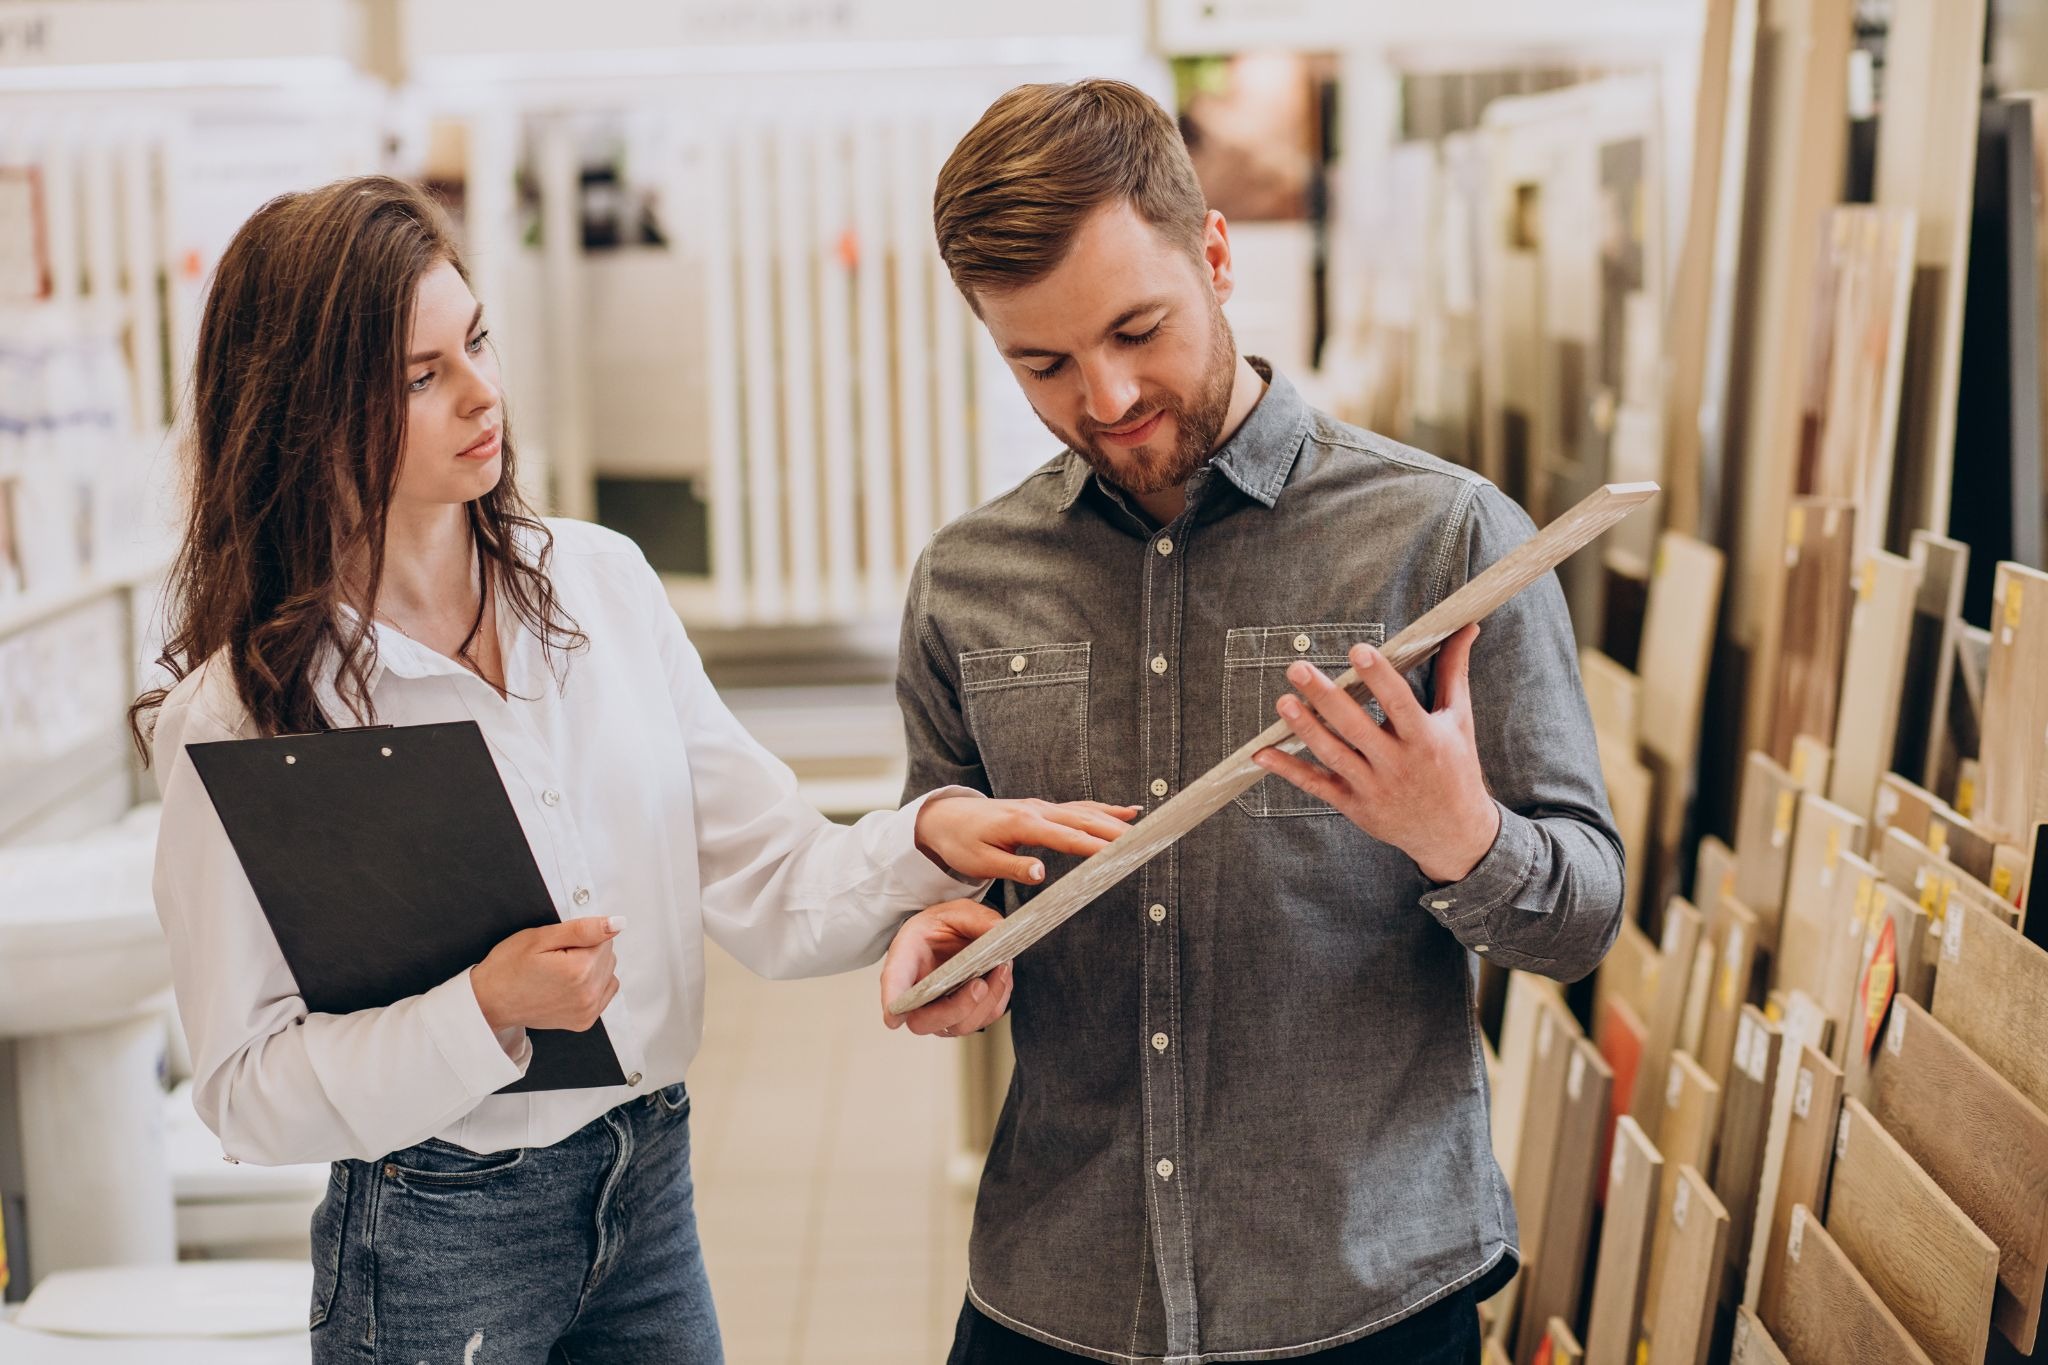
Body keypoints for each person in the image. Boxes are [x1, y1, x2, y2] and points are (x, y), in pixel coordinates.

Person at [134, 175, 1133, 1365]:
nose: (482, 392)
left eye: (477, 341)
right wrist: (483, 1012)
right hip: (433, 1235)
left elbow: (767, 875)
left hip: (645, 1187)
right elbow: (244, 1092)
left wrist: (920, 840)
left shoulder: (597, 587)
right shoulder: (245, 719)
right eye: (419, 376)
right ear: (305, 408)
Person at [878, 80, 1624, 1364]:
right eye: (1040, 363)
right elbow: (952, 875)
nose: (1104, 396)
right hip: (1058, 1290)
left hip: (1361, 1296)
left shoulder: (1443, 543)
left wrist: (1458, 834)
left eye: (1137, 329)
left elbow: (1578, 921)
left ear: (1214, 254)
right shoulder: (965, 581)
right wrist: (944, 939)